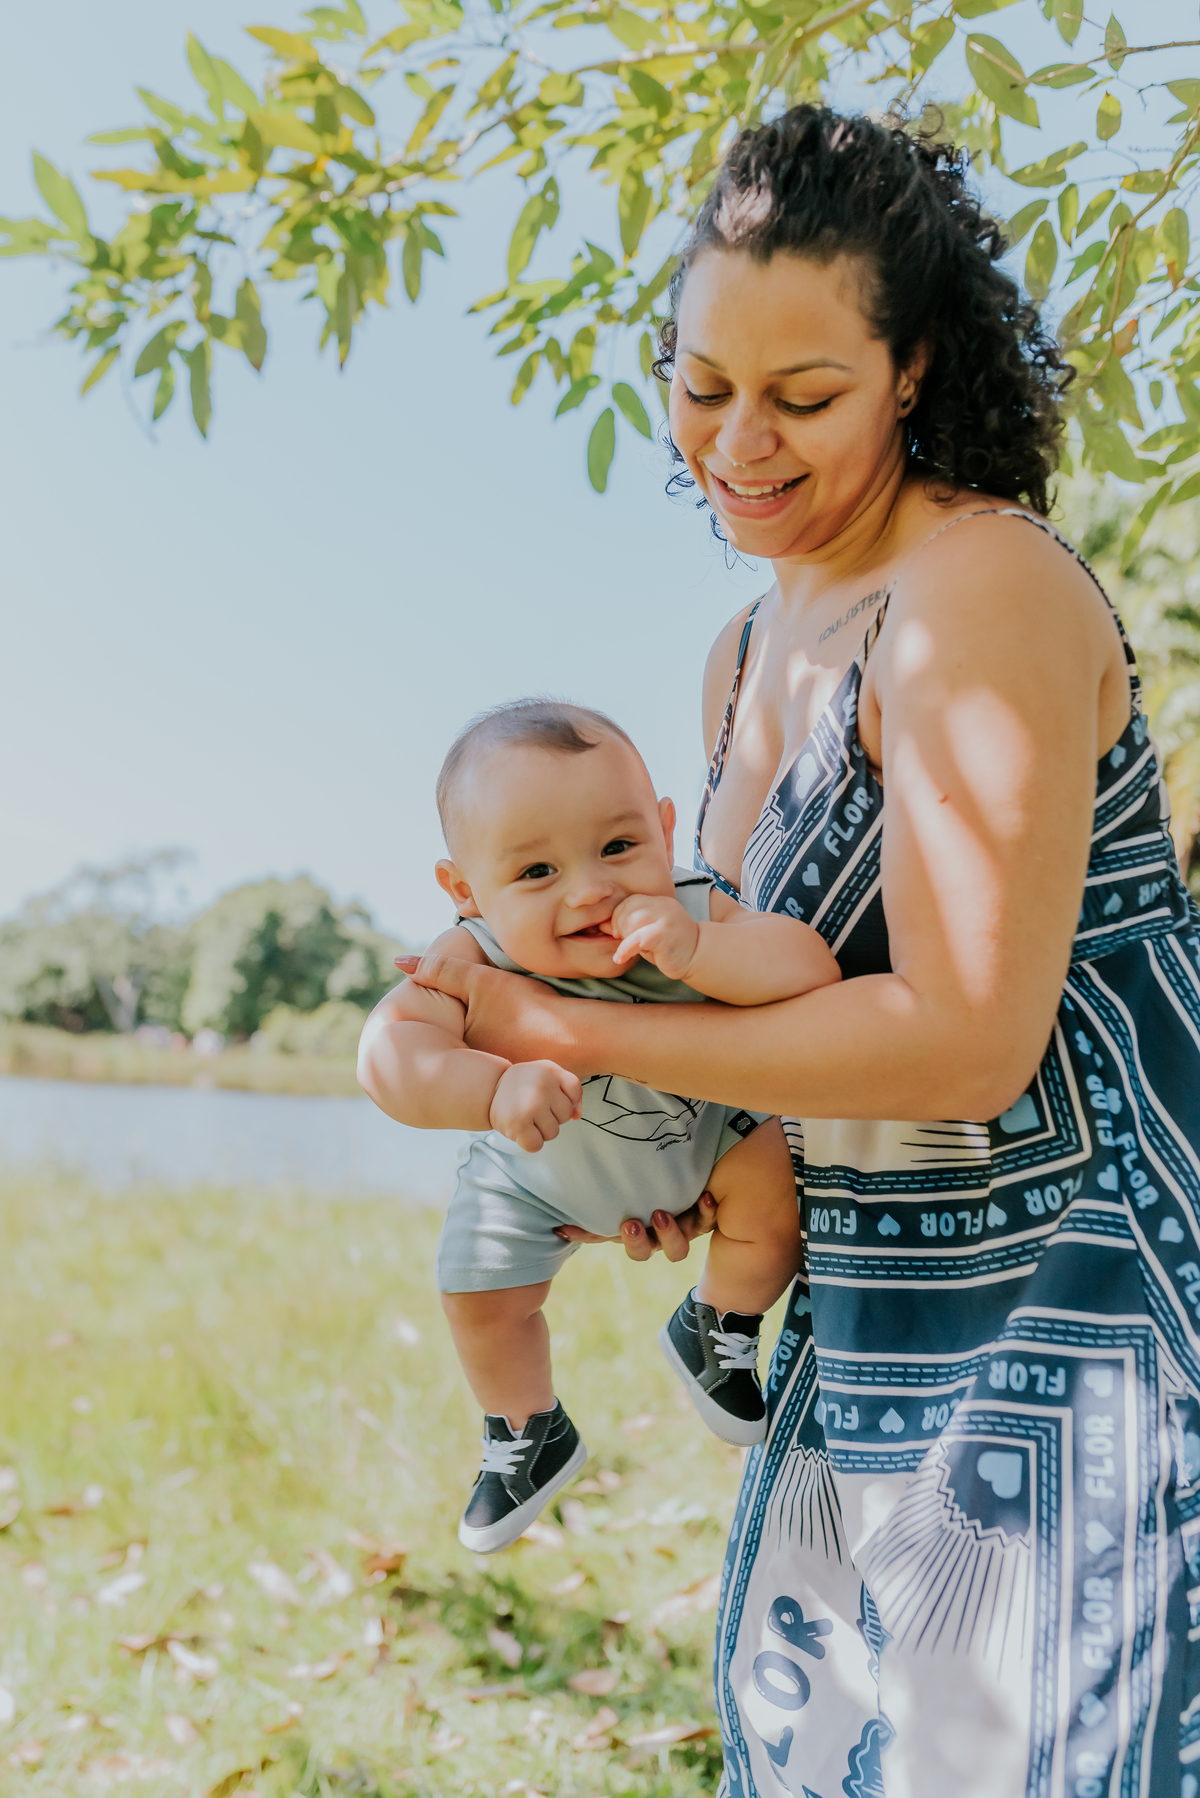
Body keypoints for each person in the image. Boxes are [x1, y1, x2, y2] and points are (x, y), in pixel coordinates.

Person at [399, 104, 1200, 1795]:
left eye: (804, 396)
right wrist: (664, 1145)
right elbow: (751, 984)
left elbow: (968, 1039)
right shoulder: (742, 655)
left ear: (912, 370)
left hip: (1095, 1314)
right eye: (701, 386)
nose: (736, 443)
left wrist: (578, 1032)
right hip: (875, 1318)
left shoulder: (981, 590)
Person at [358, 697, 839, 1551]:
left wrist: (699, 952)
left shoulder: (694, 907)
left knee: (774, 1200)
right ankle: (526, 1429)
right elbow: (387, 1054)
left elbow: (810, 965)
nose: (590, 890)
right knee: (478, 1297)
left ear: (663, 829)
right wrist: (487, 1091)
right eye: (536, 872)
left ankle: (718, 1322)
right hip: (529, 1177)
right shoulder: (473, 956)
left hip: (704, 1145)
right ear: (466, 888)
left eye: (619, 847)